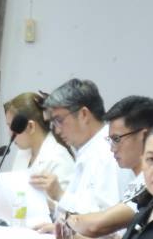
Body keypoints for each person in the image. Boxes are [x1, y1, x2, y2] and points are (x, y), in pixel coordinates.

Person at [56, 95, 153, 239]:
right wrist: (68, 237)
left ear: (144, 136)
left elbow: (98, 226)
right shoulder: (136, 181)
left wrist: (68, 220)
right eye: (110, 140)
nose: (112, 149)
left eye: (117, 139)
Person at [33, 78, 132, 219]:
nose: (57, 130)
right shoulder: (88, 149)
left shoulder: (109, 152)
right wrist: (53, 211)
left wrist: (60, 195)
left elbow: (107, 219)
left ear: (83, 115)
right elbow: (84, 207)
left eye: (59, 120)